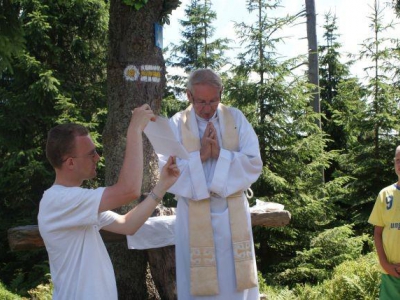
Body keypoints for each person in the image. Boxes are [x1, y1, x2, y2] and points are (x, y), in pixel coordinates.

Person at [38, 104, 180, 300]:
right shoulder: (59, 201)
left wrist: (162, 186)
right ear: (70, 162)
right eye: (91, 153)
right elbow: (129, 190)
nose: (97, 157)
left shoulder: (77, 203)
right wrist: (135, 129)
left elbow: (127, 225)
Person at [157, 69, 263, 299]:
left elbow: (254, 163)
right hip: (193, 211)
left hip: (231, 212)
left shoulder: (236, 120)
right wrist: (202, 156)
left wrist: (222, 155)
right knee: (197, 282)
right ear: (188, 96)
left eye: (214, 101)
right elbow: (166, 169)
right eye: (201, 102)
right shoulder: (177, 123)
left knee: (235, 282)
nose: (207, 109)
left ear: (221, 94)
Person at [368, 145, 400, 300]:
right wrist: (385, 265)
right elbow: (378, 233)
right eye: (398, 160)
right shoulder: (385, 195)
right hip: (390, 273)